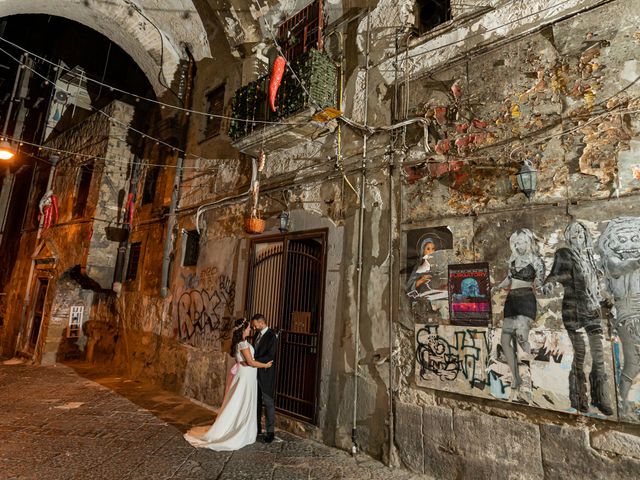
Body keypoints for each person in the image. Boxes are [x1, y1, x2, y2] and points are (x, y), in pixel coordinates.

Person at [543, 222, 612, 415]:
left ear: (586, 236)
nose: (578, 240)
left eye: (581, 235)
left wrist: (605, 303)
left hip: (592, 312)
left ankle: (601, 398)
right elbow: (554, 276)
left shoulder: (590, 257)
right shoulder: (565, 254)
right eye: (573, 237)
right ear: (568, 239)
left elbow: (595, 287)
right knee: (580, 357)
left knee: (599, 356)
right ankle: (579, 398)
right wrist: (549, 285)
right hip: (574, 313)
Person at [183, 317, 273, 451]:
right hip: (246, 377)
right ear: (243, 329)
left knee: (242, 402)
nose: (251, 329)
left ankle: (244, 428)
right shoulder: (242, 344)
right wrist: (265, 364)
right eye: (249, 327)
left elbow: (246, 361)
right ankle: (238, 429)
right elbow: (250, 362)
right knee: (242, 402)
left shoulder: (242, 343)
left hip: (248, 376)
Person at [495, 228, 545, 400]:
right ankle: (516, 377)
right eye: (516, 242)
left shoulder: (536, 261)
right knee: (505, 340)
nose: (519, 245)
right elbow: (509, 279)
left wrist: (543, 286)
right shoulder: (513, 260)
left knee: (522, 337)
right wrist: (497, 286)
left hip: (525, 299)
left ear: (529, 242)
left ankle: (530, 373)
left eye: (523, 241)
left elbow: (540, 281)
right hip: (511, 299)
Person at [598, 216, 640, 418]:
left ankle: (624, 402)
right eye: (623, 240)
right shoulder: (611, 261)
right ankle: (622, 403)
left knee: (634, 361)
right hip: (627, 312)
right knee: (633, 360)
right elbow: (620, 268)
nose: (630, 243)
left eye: (634, 238)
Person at [251, 313, 278, 443]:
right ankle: (257, 429)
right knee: (256, 403)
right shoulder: (256, 335)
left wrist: (253, 360)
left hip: (267, 374)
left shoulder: (272, 336)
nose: (254, 328)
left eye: (255, 325)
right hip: (255, 373)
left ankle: (270, 432)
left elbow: (270, 355)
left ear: (262, 323)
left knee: (268, 403)